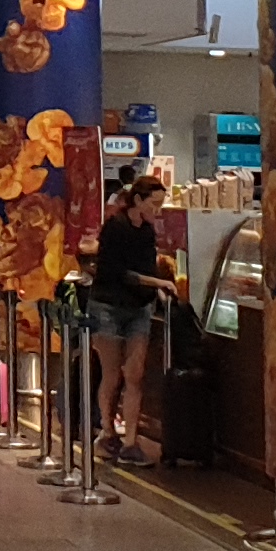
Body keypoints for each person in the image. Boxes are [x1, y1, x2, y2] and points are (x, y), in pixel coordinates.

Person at [89, 173, 175, 462]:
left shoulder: (147, 232)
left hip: (139, 307)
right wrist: (157, 283)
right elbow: (118, 273)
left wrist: (156, 287)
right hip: (108, 306)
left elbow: (146, 268)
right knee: (112, 373)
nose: (157, 210)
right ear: (138, 200)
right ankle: (107, 431)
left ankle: (130, 440)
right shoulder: (115, 228)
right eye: (154, 204)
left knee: (135, 373)